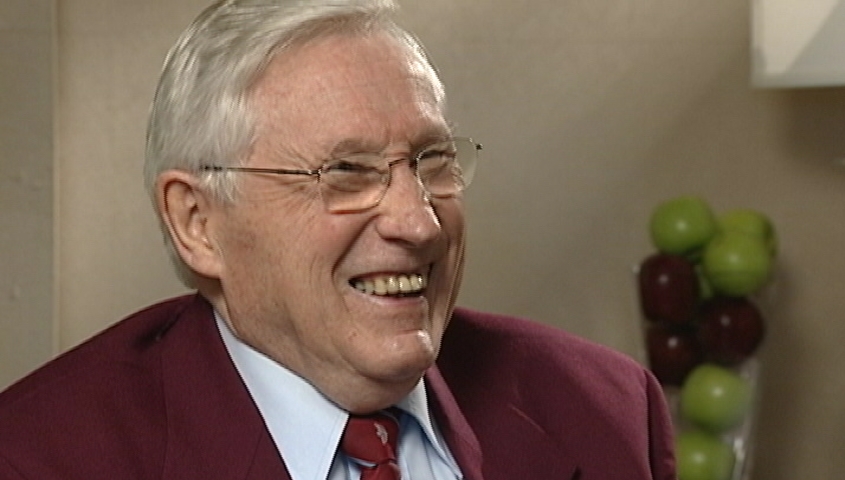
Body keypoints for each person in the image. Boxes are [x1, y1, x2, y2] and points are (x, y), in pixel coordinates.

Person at [0, 1, 676, 479]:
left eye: (433, 161)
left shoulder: (607, 410)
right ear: (198, 222)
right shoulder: (39, 455)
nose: (419, 222)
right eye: (346, 172)